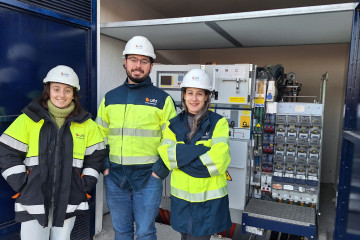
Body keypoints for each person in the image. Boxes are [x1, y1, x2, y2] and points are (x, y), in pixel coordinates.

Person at [0, 65, 106, 240]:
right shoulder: (28, 119)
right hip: (33, 199)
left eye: (67, 90)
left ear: (74, 94)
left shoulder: (87, 124)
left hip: (68, 199)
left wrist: (84, 185)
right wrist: (22, 184)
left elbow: (97, 157)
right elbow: (6, 151)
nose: (61, 95)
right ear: (48, 90)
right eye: (56, 89)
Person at [96, 36, 177, 240]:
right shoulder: (110, 98)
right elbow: (99, 136)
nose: (137, 65)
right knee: (121, 231)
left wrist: (159, 171)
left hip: (148, 177)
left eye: (144, 61)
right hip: (114, 176)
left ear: (151, 66)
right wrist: (104, 166)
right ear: (124, 62)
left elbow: (172, 140)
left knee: (145, 232)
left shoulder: (163, 100)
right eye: (133, 59)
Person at [157, 69, 232, 240]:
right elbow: (167, 156)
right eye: (190, 93)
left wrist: (181, 160)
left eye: (199, 93)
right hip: (182, 202)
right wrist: (201, 151)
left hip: (208, 204)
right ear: (183, 96)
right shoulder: (172, 125)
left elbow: (218, 161)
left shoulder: (218, 123)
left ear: (206, 96)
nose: (194, 98)